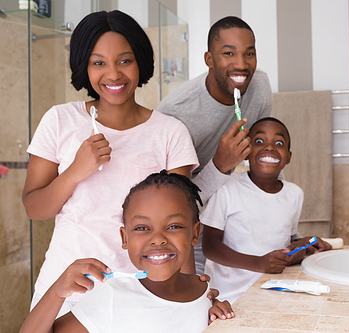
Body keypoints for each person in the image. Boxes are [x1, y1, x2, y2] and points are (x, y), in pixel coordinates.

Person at [22, 10, 199, 316]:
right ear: (84, 66)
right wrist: (76, 171)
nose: (114, 74)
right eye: (98, 62)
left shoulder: (170, 133)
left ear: (140, 61)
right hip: (67, 287)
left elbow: (180, 228)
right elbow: (35, 209)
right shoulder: (59, 120)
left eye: (125, 60)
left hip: (142, 292)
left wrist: (193, 296)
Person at [20, 171, 235, 333]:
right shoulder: (112, 296)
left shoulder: (204, 292)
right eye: (142, 228)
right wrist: (57, 292)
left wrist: (221, 322)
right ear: (124, 238)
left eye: (173, 226)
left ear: (195, 233)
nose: (158, 239)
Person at [157, 16, 273, 274]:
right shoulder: (176, 113)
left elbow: (267, 156)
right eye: (228, 53)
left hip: (227, 215)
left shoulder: (260, 86)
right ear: (209, 59)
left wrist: (279, 213)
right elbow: (169, 206)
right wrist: (220, 165)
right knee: (193, 302)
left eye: (249, 53)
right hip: (185, 226)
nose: (241, 65)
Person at [201, 117, 332, 303]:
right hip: (229, 298)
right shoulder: (226, 189)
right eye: (259, 141)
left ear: (288, 157)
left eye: (278, 143)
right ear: (246, 152)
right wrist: (258, 263)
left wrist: (306, 243)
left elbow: (288, 239)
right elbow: (210, 247)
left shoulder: (294, 194)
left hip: (274, 291)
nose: (269, 147)